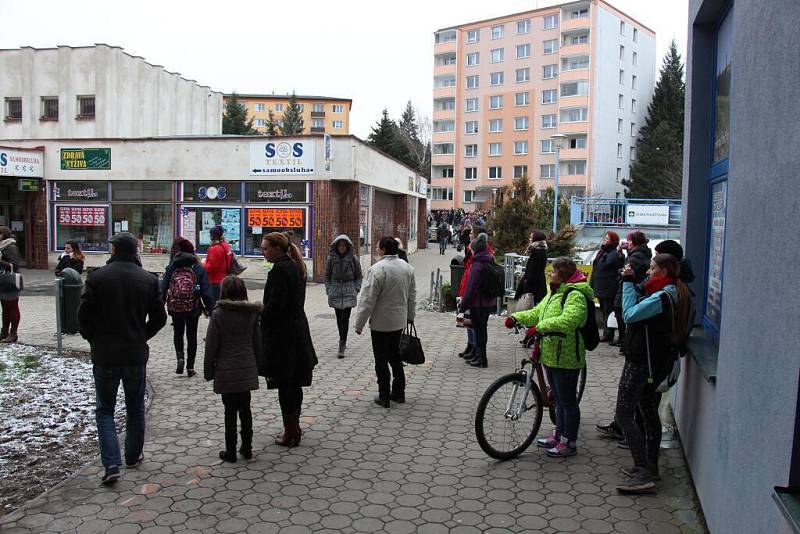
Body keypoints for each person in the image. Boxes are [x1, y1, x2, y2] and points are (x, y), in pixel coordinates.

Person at [77, 232, 167, 484]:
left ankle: (111, 464)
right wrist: (141, 336)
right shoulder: (148, 280)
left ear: (115, 250)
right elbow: (160, 318)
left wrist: (92, 338)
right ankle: (133, 454)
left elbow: (83, 316)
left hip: (105, 354)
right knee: (135, 407)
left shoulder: (97, 278)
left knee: (105, 410)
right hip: (134, 354)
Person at [615, 254, 691, 494]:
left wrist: (627, 283)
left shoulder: (662, 297)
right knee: (647, 412)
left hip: (641, 363)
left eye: (651, 268)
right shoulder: (665, 292)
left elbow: (629, 315)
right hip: (650, 363)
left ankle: (643, 472)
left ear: (664, 272)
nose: (648, 272)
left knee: (624, 415)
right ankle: (650, 466)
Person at [507, 257, 594, 458]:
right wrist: (516, 318)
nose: (549, 274)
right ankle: (558, 435)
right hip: (551, 353)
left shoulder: (575, 295)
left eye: (553, 271)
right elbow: (538, 312)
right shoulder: (554, 292)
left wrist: (540, 328)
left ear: (563, 275)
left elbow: (570, 320)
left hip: (567, 355)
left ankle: (569, 442)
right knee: (558, 398)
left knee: (567, 401)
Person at [260, 232, 317, 447]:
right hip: (297, 330)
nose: (263, 251)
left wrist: (260, 315)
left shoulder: (280, 270)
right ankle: (294, 427)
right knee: (294, 382)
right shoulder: (295, 266)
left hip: (284, 335)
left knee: (285, 383)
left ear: (277, 248)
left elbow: (276, 305)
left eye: (266, 248)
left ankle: (291, 431)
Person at [204, 275, 262, 463]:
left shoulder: (218, 314)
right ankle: (247, 448)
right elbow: (257, 343)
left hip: (225, 371)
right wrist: (259, 366)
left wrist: (208, 371)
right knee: (245, 409)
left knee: (229, 411)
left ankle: (230, 451)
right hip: (246, 369)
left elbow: (211, 346)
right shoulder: (251, 313)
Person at [353, 236, 416, 407]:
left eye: (378, 246)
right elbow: (412, 296)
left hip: (381, 323)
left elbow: (367, 299)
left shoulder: (377, 269)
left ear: (383, 250)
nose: (376, 249)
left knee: (381, 359)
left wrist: (359, 324)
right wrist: (410, 316)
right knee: (395, 356)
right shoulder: (407, 268)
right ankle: (399, 392)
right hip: (399, 321)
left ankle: (384, 395)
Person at [161, 238, 213, 377]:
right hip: (193, 306)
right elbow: (206, 291)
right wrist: (210, 308)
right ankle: (190, 367)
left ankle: (180, 358)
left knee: (178, 333)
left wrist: (160, 303)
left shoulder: (173, 266)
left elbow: (164, 286)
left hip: (175, 306)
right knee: (192, 336)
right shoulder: (197, 267)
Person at [457, 232, 498, 368]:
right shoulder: (489, 260)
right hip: (487, 303)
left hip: (477, 304)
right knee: (482, 330)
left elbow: (471, 289)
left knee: (478, 331)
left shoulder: (477, 265)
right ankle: (481, 357)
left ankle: (481, 359)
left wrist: (462, 308)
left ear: (475, 250)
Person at [324, 235, 362, 359]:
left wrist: (356, 289)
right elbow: (327, 276)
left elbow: (359, 276)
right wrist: (329, 289)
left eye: (344, 245)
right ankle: (342, 338)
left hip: (348, 290)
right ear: (336, 246)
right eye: (340, 245)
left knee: (345, 318)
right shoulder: (331, 259)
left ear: (348, 246)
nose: (342, 247)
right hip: (335, 290)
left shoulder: (353, 259)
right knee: (339, 318)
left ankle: (342, 343)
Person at [611, 231, 651, 347]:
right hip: (631, 286)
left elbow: (625, 270)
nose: (627, 243)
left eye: (629, 240)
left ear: (633, 242)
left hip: (630, 287)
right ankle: (624, 340)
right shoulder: (638, 253)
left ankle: (625, 341)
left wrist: (621, 272)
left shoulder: (637, 255)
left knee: (622, 313)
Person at [590, 231, 622, 343]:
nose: (605, 239)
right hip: (600, 286)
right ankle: (607, 333)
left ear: (612, 241)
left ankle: (608, 334)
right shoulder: (602, 252)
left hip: (609, 287)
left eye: (607, 238)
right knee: (604, 311)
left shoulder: (615, 254)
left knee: (609, 311)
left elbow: (619, 269)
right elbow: (595, 269)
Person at [514, 230, 548, 308]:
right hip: (537, 284)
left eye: (531, 237)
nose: (529, 239)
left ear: (535, 239)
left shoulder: (537, 252)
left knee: (530, 306)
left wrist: (526, 281)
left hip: (533, 286)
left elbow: (533, 271)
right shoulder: (539, 251)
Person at [0, 227, 22, 343]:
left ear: (4, 235)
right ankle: (4, 332)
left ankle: (13, 333)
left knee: (12, 307)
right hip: (2, 281)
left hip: (11, 280)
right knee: (5, 308)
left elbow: (14, 265)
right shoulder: (1, 247)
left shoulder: (10, 247)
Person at [204, 225, 232, 310]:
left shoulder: (215, 248)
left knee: (215, 307)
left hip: (215, 281)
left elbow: (211, 267)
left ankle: (216, 322)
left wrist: (202, 264)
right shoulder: (226, 246)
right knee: (223, 306)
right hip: (225, 279)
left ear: (212, 236)